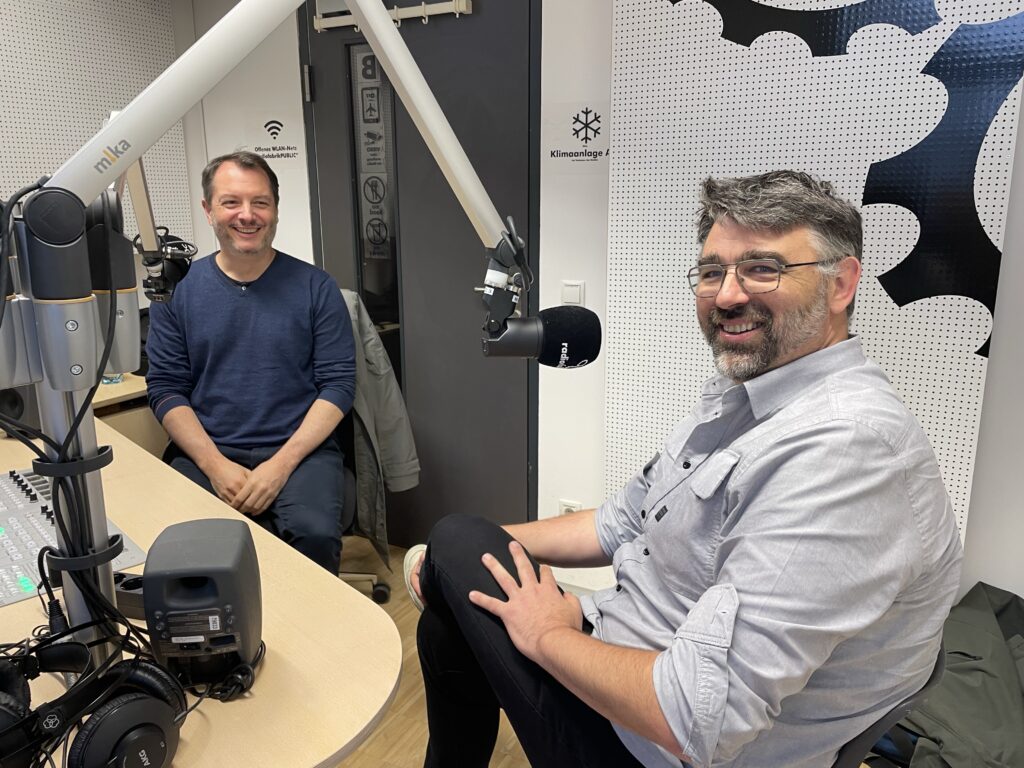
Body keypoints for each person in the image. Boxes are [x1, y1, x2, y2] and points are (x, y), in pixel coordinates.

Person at [404, 171, 963, 767]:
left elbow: (694, 718)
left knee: (454, 539)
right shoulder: (742, 395)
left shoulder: (847, 450)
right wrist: (487, 554)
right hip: (625, 643)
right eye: (712, 272)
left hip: (660, 742)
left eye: (763, 268)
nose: (727, 295)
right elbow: (622, 522)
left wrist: (546, 634)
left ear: (841, 284)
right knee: (450, 612)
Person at [146, 151, 356, 574]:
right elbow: (166, 389)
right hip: (209, 448)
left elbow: (338, 385)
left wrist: (280, 466)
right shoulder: (176, 292)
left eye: (260, 202)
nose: (247, 215)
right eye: (231, 202)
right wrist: (215, 466)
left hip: (299, 451)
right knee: (191, 547)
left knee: (313, 533)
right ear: (208, 210)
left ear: (275, 208)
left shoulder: (316, 287)